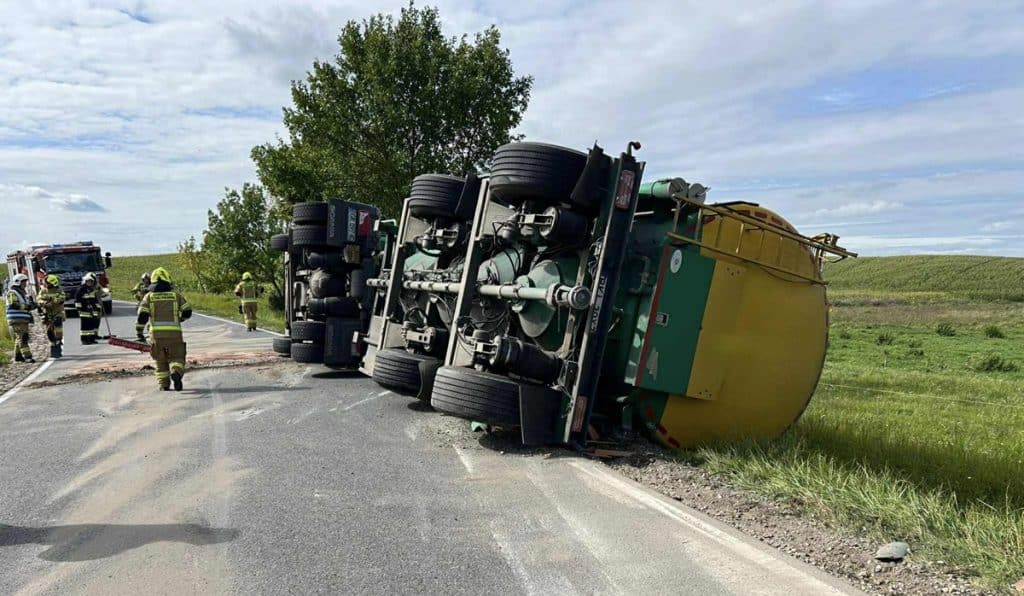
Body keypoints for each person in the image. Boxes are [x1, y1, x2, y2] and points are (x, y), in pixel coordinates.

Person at [136, 267, 192, 391]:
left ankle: (164, 385)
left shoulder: (148, 297)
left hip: (156, 335)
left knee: (160, 360)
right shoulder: (176, 296)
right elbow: (188, 311)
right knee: (177, 357)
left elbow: (142, 317)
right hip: (175, 334)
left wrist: (139, 332)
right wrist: (181, 319)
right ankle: (176, 372)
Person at [5, 274, 35, 363]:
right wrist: (27, 307)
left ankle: (18, 356)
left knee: (19, 338)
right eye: (23, 282)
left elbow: (27, 305)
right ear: (18, 282)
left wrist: (33, 305)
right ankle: (28, 357)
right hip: (16, 319)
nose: (25, 284)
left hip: (22, 319)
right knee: (23, 338)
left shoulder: (22, 292)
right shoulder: (12, 292)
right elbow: (14, 304)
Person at [36, 274, 66, 359]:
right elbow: (38, 299)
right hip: (47, 314)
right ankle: (54, 345)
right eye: (46, 283)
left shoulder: (59, 290)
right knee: (49, 331)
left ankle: (59, 340)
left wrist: (52, 301)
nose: (46, 284)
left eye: (48, 283)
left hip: (58, 312)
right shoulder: (43, 291)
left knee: (58, 326)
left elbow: (62, 298)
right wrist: (44, 303)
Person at [75, 272, 102, 345]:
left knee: (92, 325)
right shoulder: (81, 289)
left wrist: (97, 307)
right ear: (85, 281)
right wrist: (79, 309)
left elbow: (95, 300)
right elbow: (78, 300)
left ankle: (91, 339)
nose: (89, 283)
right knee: (85, 327)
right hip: (84, 311)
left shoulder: (92, 289)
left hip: (92, 311)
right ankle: (84, 340)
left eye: (91, 281)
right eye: (88, 281)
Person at [132, 272, 151, 341]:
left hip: (151, 303)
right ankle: (139, 334)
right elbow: (134, 291)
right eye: (144, 279)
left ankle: (150, 333)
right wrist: (137, 296)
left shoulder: (152, 285)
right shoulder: (140, 285)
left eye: (147, 279)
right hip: (142, 303)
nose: (146, 281)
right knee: (141, 319)